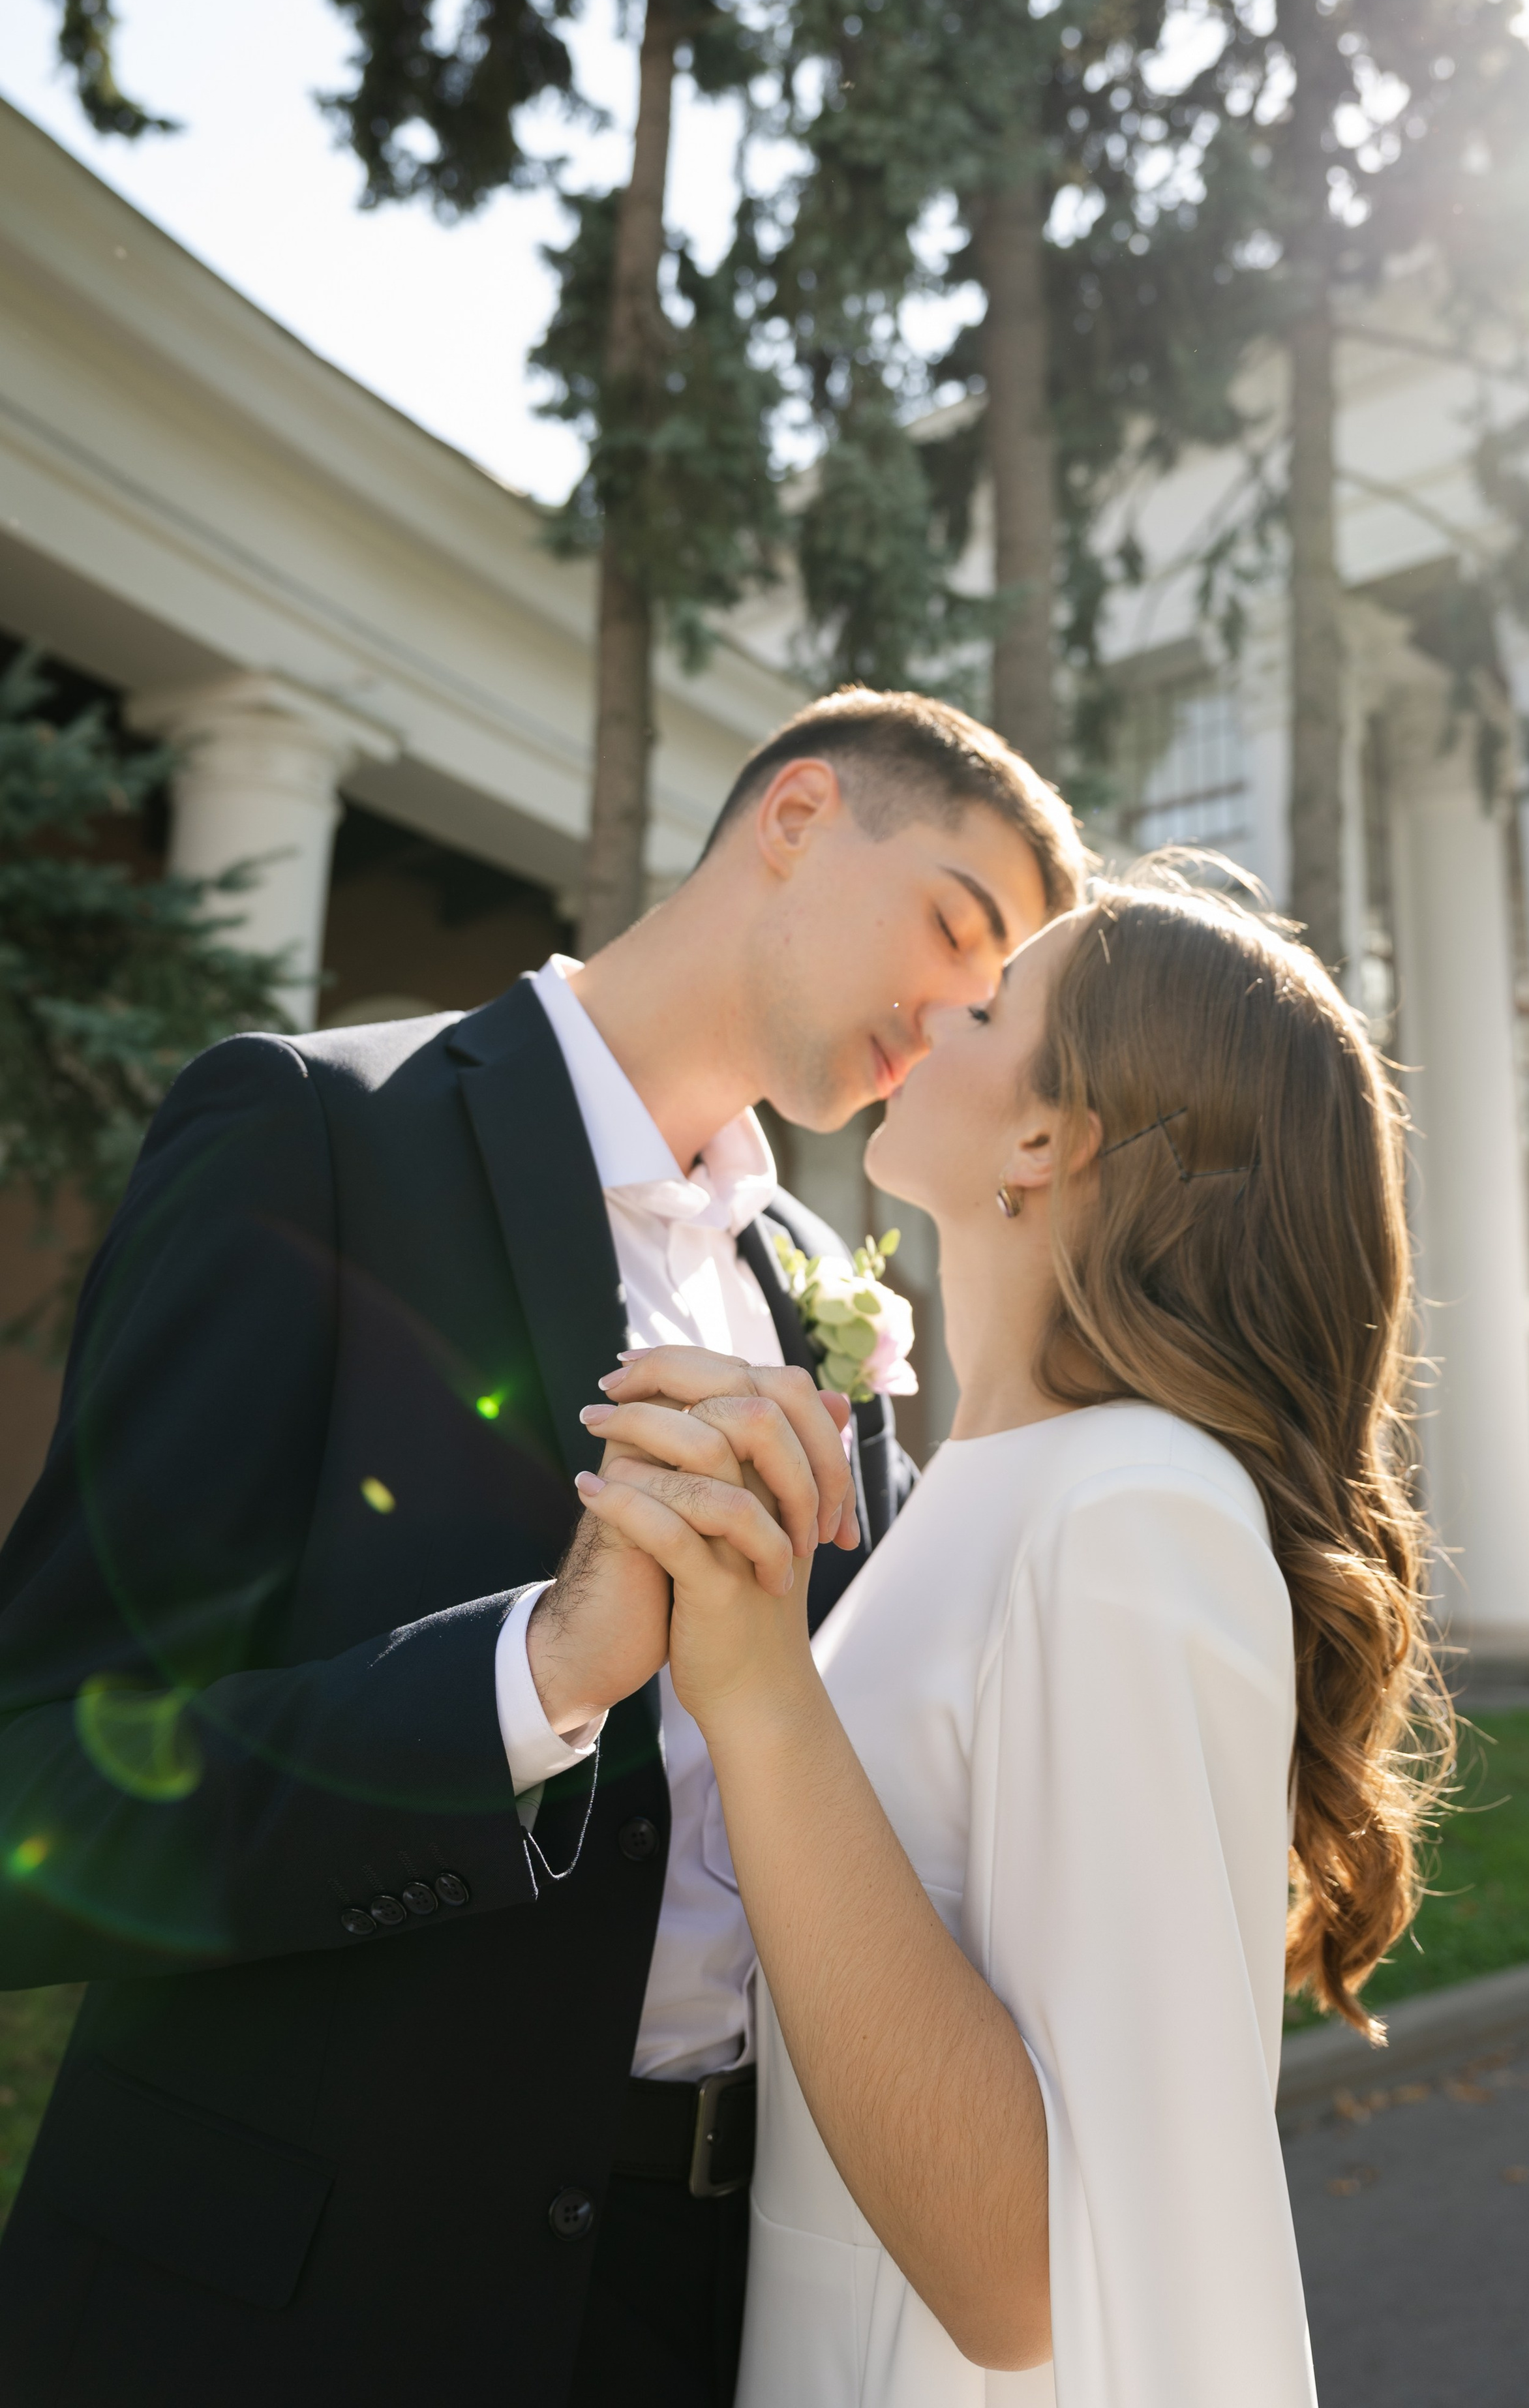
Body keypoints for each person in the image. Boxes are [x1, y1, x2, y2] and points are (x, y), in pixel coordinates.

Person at [0, 689, 1085, 2407]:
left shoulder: (828, 1304)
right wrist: (526, 1682)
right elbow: (32, 1800)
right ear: (795, 818)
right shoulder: (313, 1139)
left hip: (703, 2312)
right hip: (282, 2321)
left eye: (987, 1000)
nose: (950, 1018)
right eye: (957, 926)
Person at [573, 866, 1451, 2407]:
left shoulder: (1132, 1512)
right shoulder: (992, 1494)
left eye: (984, 1006)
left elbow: (1022, 2276)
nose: (929, 1006)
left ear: (1047, 1138)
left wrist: (761, 1687)